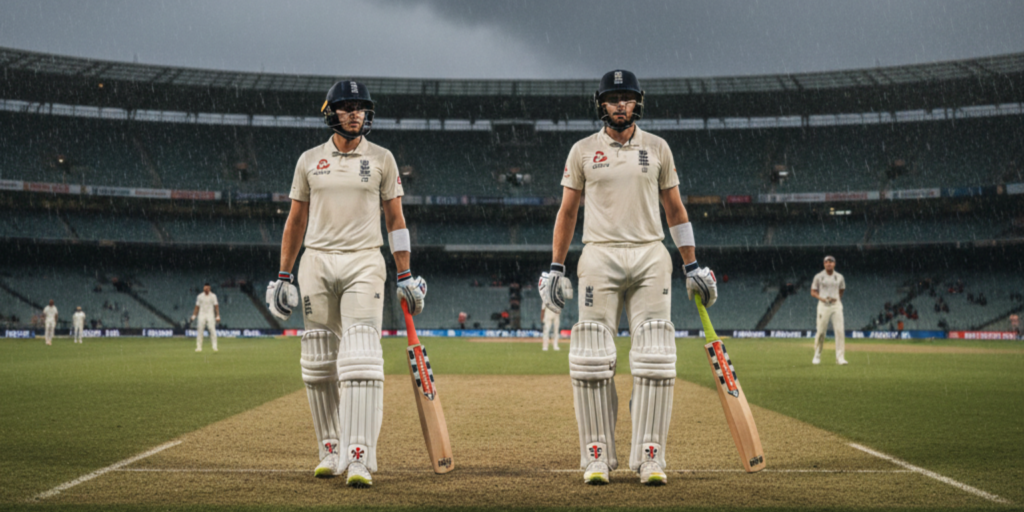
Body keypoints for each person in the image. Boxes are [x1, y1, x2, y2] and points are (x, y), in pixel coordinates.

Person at [539, 70, 717, 487]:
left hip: (650, 254)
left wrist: (691, 264)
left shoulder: (657, 148)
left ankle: (650, 455)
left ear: (638, 103)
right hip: (598, 255)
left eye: (627, 98)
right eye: (612, 99)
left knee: (656, 355)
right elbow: (567, 212)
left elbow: (675, 209)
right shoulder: (582, 150)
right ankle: (596, 454)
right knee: (589, 359)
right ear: (600, 104)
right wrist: (555, 266)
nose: (620, 105)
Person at [266, 80, 426, 488]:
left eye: (361, 107)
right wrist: (283, 274)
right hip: (316, 261)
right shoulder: (309, 161)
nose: (355, 113)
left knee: (361, 358)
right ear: (330, 112)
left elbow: (396, 220)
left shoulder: (383, 159)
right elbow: (296, 221)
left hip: (364, 261)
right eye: (347, 107)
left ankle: (359, 456)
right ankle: (330, 448)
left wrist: (405, 272)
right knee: (319, 362)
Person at [811, 255, 847, 365]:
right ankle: (817, 355)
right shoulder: (818, 276)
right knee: (821, 332)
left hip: (836, 305)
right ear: (824, 264)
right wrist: (823, 299)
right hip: (823, 305)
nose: (829, 263)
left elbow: (842, 289)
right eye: (826, 262)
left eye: (831, 262)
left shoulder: (839, 277)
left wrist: (836, 299)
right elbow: (813, 292)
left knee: (839, 331)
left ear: (834, 264)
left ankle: (840, 358)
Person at [191, 283, 220, 352]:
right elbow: (197, 307)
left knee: (212, 329)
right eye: (205, 288)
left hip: (210, 314)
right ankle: (199, 347)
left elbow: (216, 306)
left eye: (207, 288)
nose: (206, 289)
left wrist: (217, 316)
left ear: (209, 288)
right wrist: (194, 315)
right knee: (200, 330)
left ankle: (214, 347)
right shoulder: (200, 296)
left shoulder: (213, 296)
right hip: (202, 314)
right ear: (203, 288)